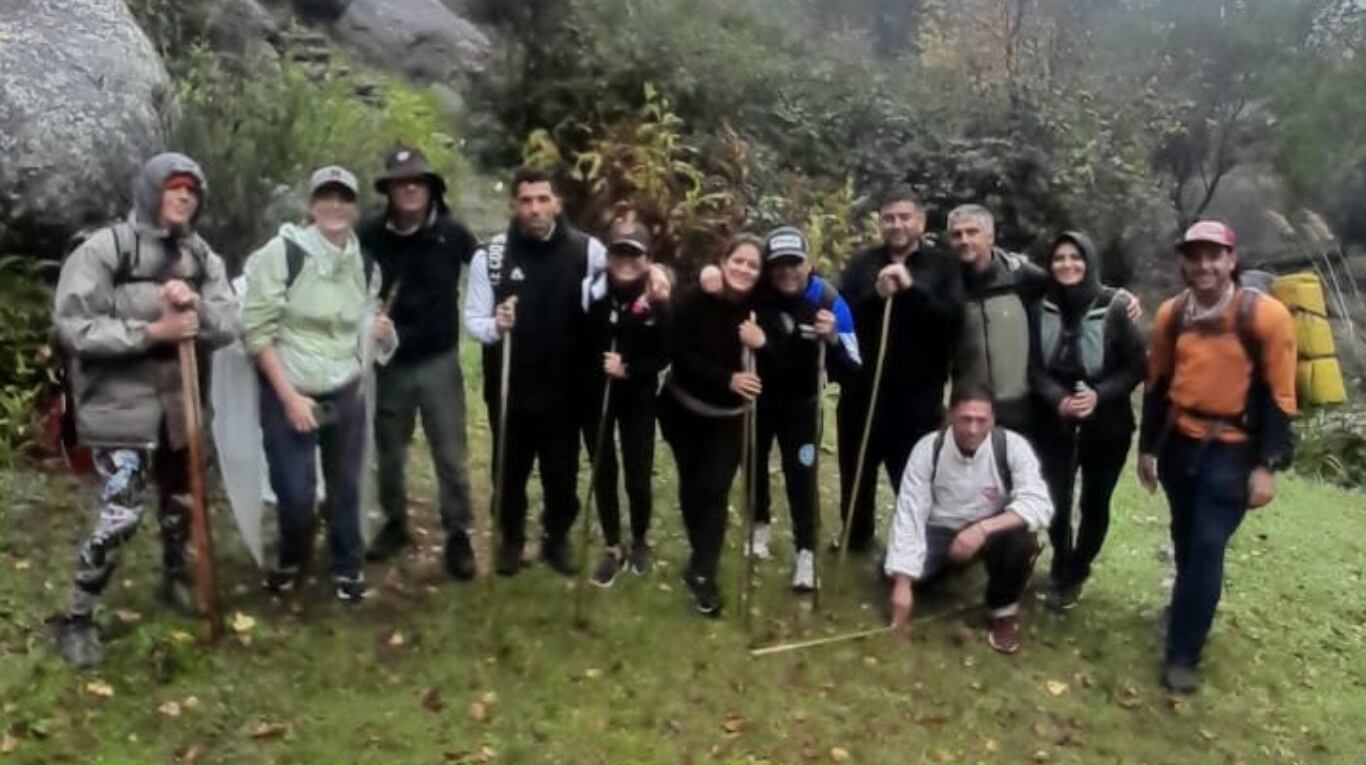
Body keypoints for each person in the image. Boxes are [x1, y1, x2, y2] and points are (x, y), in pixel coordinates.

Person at [49, 152, 239, 668]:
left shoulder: (201, 256)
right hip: (120, 409)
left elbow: (229, 323)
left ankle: (176, 581)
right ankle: (76, 616)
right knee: (121, 513)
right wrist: (153, 332)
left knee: (182, 503)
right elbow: (73, 327)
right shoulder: (107, 249)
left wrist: (198, 309)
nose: (185, 197)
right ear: (151, 191)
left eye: (192, 191)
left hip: (182, 406)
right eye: (175, 187)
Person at [465, 168, 670, 577]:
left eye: (543, 199)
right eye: (526, 201)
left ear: (556, 204)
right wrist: (496, 326)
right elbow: (473, 318)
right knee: (509, 470)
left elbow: (621, 278)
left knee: (561, 471)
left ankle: (555, 537)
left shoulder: (586, 250)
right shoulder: (491, 256)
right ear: (514, 205)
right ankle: (511, 538)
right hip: (510, 385)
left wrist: (659, 274)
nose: (535, 209)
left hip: (567, 386)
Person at [1137, 219, 1296, 693]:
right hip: (1179, 441)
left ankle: (1182, 654)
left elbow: (1281, 394)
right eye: (1195, 256)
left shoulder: (1265, 316)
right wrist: (1147, 448)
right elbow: (1157, 384)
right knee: (1185, 537)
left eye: (1214, 255)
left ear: (1231, 260)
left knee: (1208, 544)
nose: (1204, 265)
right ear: (1184, 263)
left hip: (1232, 449)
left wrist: (1267, 465)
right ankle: (1184, 610)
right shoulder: (1172, 314)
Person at [242, 166, 395, 604]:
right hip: (290, 386)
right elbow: (256, 333)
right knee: (295, 492)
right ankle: (293, 556)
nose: (335, 206)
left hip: (344, 388)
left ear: (355, 208)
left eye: (344, 198)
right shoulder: (282, 254)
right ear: (310, 206)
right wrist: (289, 398)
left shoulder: (365, 265)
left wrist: (378, 332)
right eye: (326, 197)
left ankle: (346, 567)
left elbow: (363, 325)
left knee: (346, 486)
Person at [359, 147, 481, 580]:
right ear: (389, 190)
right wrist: (363, 317)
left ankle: (458, 534)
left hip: (439, 361)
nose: (410, 188)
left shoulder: (452, 233)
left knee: (450, 454)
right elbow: (339, 277)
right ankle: (394, 524)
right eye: (401, 182)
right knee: (389, 454)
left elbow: (489, 268)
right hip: (388, 363)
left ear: (430, 188)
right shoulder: (368, 234)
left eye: (418, 181)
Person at [835, 185, 965, 554]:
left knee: (912, 475)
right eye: (889, 218)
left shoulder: (943, 267)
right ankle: (856, 534)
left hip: (916, 397)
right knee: (856, 469)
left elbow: (952, 320)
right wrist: (875, 295)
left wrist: (912, 289)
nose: (896, 224)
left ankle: (912, 543)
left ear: (920, 222)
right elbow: (843, 319)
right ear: (880, 223)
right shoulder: (862, 264)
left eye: (904, 217)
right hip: (862, 390)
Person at [885, 383, 1054, 654]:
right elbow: (910, 513)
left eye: (981, 420)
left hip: (991, 531)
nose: (973, 429)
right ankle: (947, 570)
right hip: (939, 530)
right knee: (897, 574)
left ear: (993, 419)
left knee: (1020, 540)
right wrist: (903, 583)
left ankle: (1003, 612)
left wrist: (981, 530)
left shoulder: (1012, 446)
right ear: (950, 415)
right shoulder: (928, 449)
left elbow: (1040, 504)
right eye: (965, 419)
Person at [1029, 231, 1145, 610]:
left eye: (1075, 258)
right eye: (1059, 258)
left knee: (1095, 502)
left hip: (1108, 423)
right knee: (1055, 499)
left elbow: (1136, 366)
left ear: (1090, 262)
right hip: (1054, 419)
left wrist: (1099, 395)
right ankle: (1060, 561)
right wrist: (1058, 400)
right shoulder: (1039, 306)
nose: (1067, 265)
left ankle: (1078, 569)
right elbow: (1032, 366)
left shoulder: (1117, 307)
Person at [749, 226, 860, 591]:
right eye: (778, 264)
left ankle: (806, 552)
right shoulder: (755, 297)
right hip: (758, 402)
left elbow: (852, 369)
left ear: (808, 263)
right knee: (754, 465)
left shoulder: (828, 301)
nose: (787, 272)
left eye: (794, 263)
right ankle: (759, 524)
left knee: (801, 476)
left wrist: (832, 339)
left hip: (803, 408)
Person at [660, 235, 766, 617]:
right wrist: (727, 379)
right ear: (722, 261)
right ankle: (698, 553)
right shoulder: (695, 299)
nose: (744, 270)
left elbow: (779, 357)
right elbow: (679, 352)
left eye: (752, 265)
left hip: (728, 420)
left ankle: (704, 572)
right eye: (737, 261)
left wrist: (762, 342)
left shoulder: (761, 308)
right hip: (682, 410)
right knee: (691, 485)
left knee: (714, 488)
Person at [582, 218, 671, 588]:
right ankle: (612, 546)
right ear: (608, 256)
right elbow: (576, 338)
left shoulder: (657, 299)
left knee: (638, 472)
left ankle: (639, 540)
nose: (626, 261)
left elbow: (664, 353)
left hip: (638, 396)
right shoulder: (592, 291)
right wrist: (598, 364)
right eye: (619, 252)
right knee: (603, 469)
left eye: (634, 254)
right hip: (595, 394)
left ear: (647, 260)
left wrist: (629, 369)